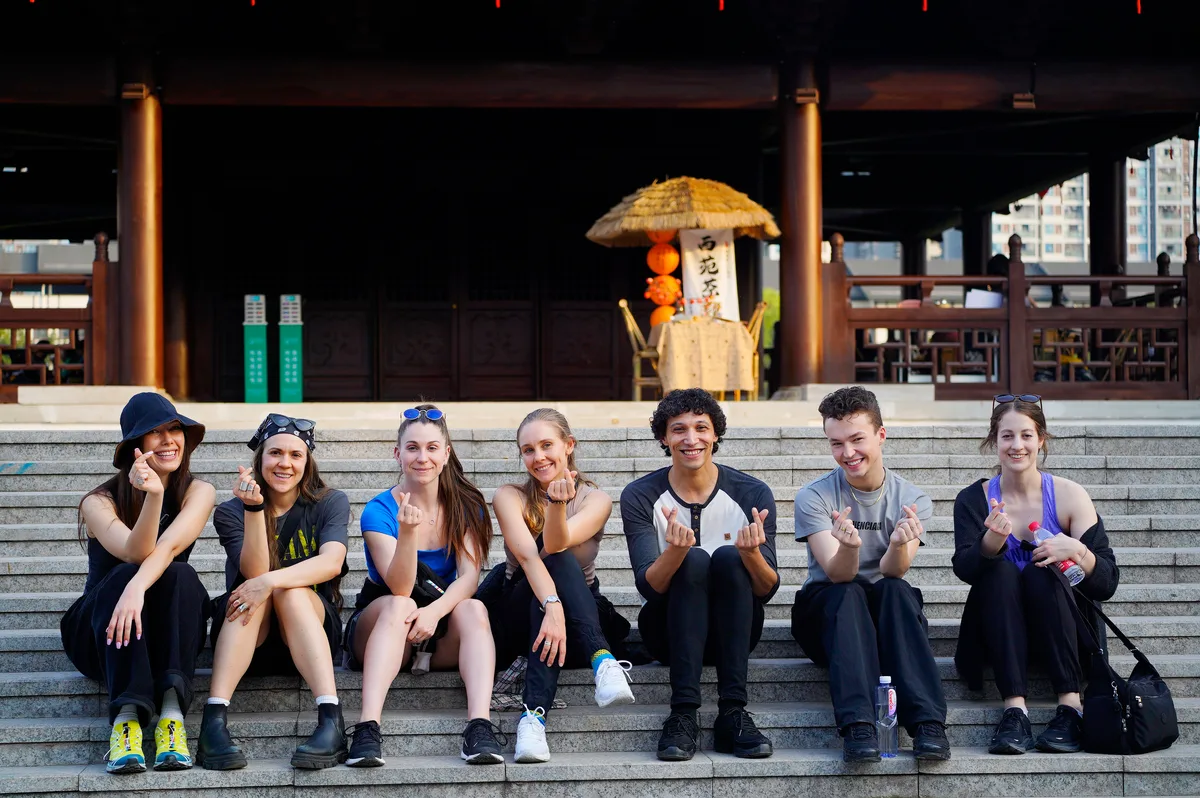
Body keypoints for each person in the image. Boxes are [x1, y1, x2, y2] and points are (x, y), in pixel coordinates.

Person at [790, 386, 951, 763]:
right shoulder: (814, 496)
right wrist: (849, 547)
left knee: (896, 590)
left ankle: (928, 723)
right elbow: (837, 575)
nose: (848, 453)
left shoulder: (912, 499)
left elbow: (895, 570)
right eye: (836, 443)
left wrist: (897, 543)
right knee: (848, 594)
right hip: (827, 616)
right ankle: (859, 725)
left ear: (880, 435)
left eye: (857, 439)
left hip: (885, 621)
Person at [953, 393, 1119, 755]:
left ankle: (1071, 705)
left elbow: (1106, 582)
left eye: (1026, 435)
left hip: (1063, 629)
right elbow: (965, 571)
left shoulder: (1070, 495)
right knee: (999, 573)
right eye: (1007, 436)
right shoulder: (974, 499)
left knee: (1042, 572)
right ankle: (1015, 710)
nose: (1017, 446)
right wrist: (989, 543)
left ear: (1041, 439)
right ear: (994, 441)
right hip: (998, 631)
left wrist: (1076, 550)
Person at [60, 392, 214, 774]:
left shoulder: (200, 491)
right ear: (136, 446)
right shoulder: (98, 502)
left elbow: (169, 548)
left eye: (174, 430)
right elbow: (135, 552)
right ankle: (125, 721)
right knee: (127, 572)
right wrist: (153, 497)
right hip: (102, 631)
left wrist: (137, 589)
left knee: (180, 572)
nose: (169, 440)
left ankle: (171, 718)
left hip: (160, 630)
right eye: (155, 433)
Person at [621, 388, 777, 762]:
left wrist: (751, 554)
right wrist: (675, 552)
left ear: (716, 435)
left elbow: (767, 588)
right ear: (664, 438)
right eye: (679, 430)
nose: (691, 439)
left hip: (734, 631)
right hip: (667, 632)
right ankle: (683, 714)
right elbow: (648, 584)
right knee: (691, 560)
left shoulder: (752, 492)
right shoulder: (640, 495)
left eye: (701, 428)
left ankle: (733, 712)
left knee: (727, 557)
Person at [343, 405, 503, 767]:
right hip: (382, 631)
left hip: (437, 632)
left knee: (474, 607)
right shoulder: (378, 510)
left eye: (432, 448)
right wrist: (408, 532)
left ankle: (479, 727)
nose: (422, 457)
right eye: (412, 448)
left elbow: (469, 578)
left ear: (446, 453)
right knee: (401, 605)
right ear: (397, 454)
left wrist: (434, 611)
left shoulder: (466, 505)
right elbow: (399, 586)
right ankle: (367, 729)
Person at [198, 414, 350, 770]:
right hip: (251, 636)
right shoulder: (232, 511)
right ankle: (213, 722)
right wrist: (254, 510)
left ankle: (331, 720)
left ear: (307, 461)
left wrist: (272, 581)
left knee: (289, 590)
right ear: (260, 459)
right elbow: (252, 573)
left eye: (296, 455)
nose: (285, 463)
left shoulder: (330, 502)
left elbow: (331, 563)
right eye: (275, 453)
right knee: (260, 590)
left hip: (311, 632)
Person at [490, 408, 635, 763]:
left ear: (568, 445)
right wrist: (553, 606)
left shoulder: (595, 499)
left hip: (579, 618)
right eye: (528, 450)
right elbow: (532, 557)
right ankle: (603, 660)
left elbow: (559, 543)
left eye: (546, 445)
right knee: (551, 560)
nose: (538, 457)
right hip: (520, 611)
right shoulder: (509, 495)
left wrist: (559, 504)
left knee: (560, 556)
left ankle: (532, 721)